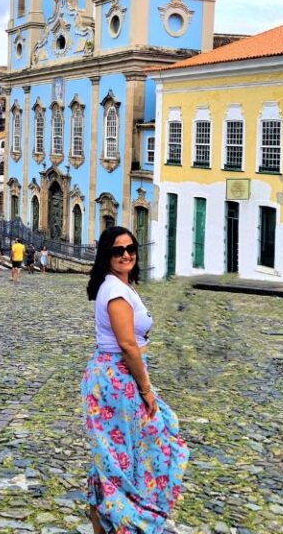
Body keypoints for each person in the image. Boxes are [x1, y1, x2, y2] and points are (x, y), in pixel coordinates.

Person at [81, 227, 189, 533]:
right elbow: (127, 345)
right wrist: (146, 389)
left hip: (115, 376)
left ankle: (104, 522)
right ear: (107, 255)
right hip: (118, 379)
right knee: (130, 452)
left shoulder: (118, 286)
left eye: (131, 248)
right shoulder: (115, 291)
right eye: (118, 251)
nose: (126, 254)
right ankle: (125, 520)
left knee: (114, 455)